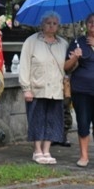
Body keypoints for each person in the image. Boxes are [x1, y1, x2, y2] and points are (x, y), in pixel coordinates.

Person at [19, 11, 68, 165]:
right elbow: (24, 65)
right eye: (48, 23)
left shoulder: (63, 43)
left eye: (54, 23)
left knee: (53, 121)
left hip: (56, 89)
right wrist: (26, 88)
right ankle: (37, 150)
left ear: (58, 26)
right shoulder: (31, 41)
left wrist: (76, 58)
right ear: (42, 24)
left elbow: (68, 67)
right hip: (37, 88)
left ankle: (47, 150)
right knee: (37, 120)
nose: (51, 26)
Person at [64, 12, 94, 167]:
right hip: (82, 90)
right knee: (83, 122)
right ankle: (84, 156)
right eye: (90, 22)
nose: (92, 25)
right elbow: (66, 67)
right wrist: (75, 57)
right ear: (85, 24)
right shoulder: (77, 42)